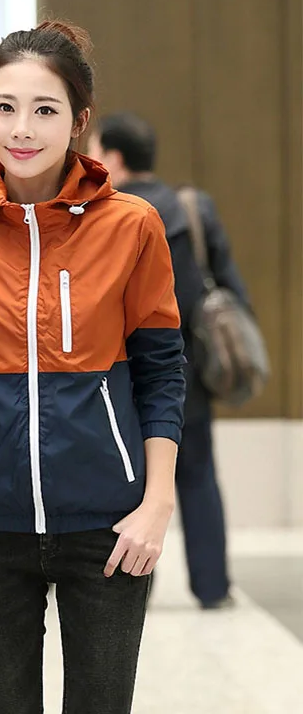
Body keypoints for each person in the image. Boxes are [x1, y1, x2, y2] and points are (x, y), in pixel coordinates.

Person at [0, 21, 186, 713]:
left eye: (45, 110)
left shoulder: (131, 226)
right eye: (6, 107)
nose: (22, 129)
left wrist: (156, 504)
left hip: (109, 527)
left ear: (79, 121)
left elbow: (161, 371)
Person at [88, 111, 250, 609]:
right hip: (188, 373)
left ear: (114, 157)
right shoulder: (192, 208)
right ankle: (213, 588)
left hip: (122, 377)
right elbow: (232, 288)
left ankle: (131, 582)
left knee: (129, 482)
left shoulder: (108, 212)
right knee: (198, 477)